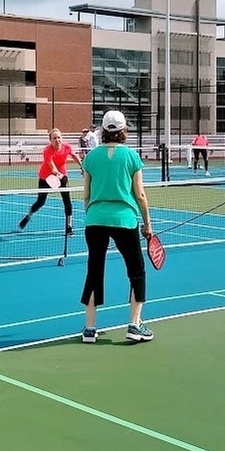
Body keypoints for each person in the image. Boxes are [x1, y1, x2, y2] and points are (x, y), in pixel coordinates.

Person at [79, 109, 154, 344]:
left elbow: (86, 195)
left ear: (103, 131)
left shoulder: (90, 157)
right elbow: (140, 195)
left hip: (95, 220)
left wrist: (91, 216)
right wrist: (147, 225)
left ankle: (89, 329)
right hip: (125, 220)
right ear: (123, 131)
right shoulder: (132, 157)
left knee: (94, 271)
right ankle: (134, 324)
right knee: (137, 271)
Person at [19, 127, 83, 235]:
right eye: (54, 138)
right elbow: (52, 168)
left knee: (67, 201)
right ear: (50, 140)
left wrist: (82, 166)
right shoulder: (47, 151)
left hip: (61, 176)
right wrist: (60, 175)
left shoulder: (66, 147)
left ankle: (69, 226)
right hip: (46, 178)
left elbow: (74, 155)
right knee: (41, 202)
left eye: (59, 137)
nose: (57, 140)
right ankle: (29, 215)